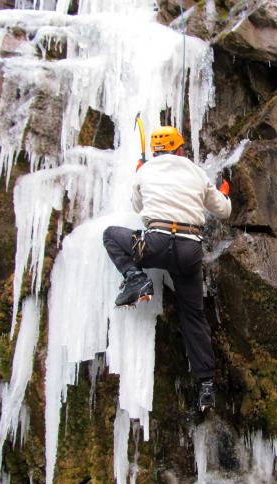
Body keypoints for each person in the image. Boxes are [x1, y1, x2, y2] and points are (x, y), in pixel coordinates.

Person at [102, 125, 231, 412]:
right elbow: (223, 210)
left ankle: (135, 278)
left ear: (157, 150)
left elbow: (137, 206)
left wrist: (139, 172)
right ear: (180, 149)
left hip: (155, 244)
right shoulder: (197, 172)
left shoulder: (146, 171)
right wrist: (224, 192)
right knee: (193, 316)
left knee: (111, 235)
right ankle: (206, 384)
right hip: (189, 250)